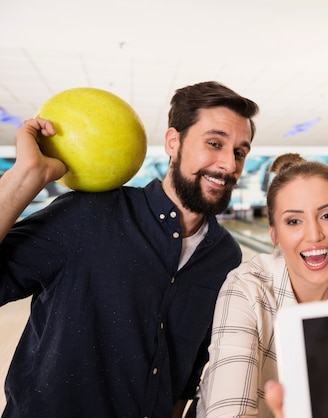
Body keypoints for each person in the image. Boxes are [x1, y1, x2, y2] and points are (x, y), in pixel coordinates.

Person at [0, 81, 259, 417]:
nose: (229, 164)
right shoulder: (88, 215)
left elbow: (190, 367)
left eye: (240, 152)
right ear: (173, 142)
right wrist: (26, 175)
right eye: (214, 143)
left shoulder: (225, 256)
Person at [195, 154, 328, 417]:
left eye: (327, 215)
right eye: (293, 221)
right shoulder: (246, 289)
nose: (314, 235)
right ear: (274, 234)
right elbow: (228, 411)